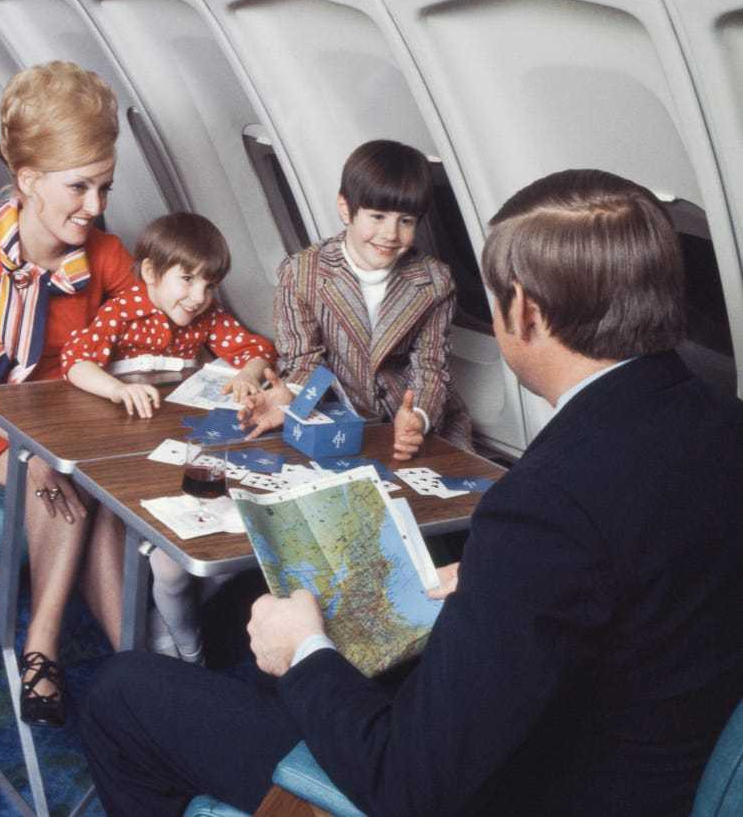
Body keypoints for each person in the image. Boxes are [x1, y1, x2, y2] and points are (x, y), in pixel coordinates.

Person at [81, 169, 743, 817]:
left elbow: (407, 787)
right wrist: (491, 580)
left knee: (121, 693)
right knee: (242, 630)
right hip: (639, 759)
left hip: (524, 787)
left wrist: (307, 652)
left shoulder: (544, 508)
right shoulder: (720, 426)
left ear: (526, 312)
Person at [0, 61, 135, 729]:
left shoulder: (105, 253)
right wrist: (25, 436)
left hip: (78, 429)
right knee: (54, 478)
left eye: (104, 187)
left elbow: (160, 334)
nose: (96, 206)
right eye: (80, 187)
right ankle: (40, 644)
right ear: (27, 181)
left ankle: (138, 666)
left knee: (109, 499)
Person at [61, 211, 275, 664]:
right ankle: (188, 646)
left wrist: (247, 377)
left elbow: (257, 350)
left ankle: (175, 623)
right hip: (123, 447)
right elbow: (76, 361)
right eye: (187, 280)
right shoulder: (123, 310)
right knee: (172, 556)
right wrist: (118, 388)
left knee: (228, 541)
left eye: (210, 285)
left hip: (174, 443)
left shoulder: (207, 315)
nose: (199, 297)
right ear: (151, 274)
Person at [241, 139, 471, 456]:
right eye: (377, 217)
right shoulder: (301, 273)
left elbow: (430, 367)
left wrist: (419, 417)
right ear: (346, 209)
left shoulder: (435, 281)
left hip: (414, 419)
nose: (391, 234)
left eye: (406, 221)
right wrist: (290, 396)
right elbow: (304, 360)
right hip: (336, 414)